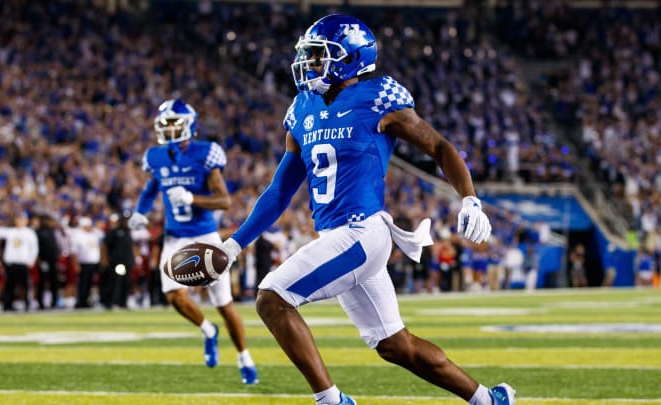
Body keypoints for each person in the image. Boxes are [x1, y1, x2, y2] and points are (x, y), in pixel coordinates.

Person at [215, 14, 515, 405]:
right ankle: (488, 400)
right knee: (395, 346)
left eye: (320, 56)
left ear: (351, 58)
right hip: (340, 237)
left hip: (362, 232)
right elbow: (279, 190)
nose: (311, 64)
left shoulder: (379, 97)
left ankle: (331, 400)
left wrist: (470, 198)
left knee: (272, 298)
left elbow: (439, 146)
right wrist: (233, 246)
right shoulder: (301, 107)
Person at [128, 98, 258, 385]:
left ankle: (243, 356)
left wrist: (192, 198)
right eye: (166, 124)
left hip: (204, 236)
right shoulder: (156, 156)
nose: (171, 130)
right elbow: (151, 188)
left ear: (190, 125)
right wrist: (140, 211)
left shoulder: (206, 153)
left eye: (176, 123)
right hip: (174, 237)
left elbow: (224, 200)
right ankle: (207, 330)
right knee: (173, 294)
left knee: (224, 303)